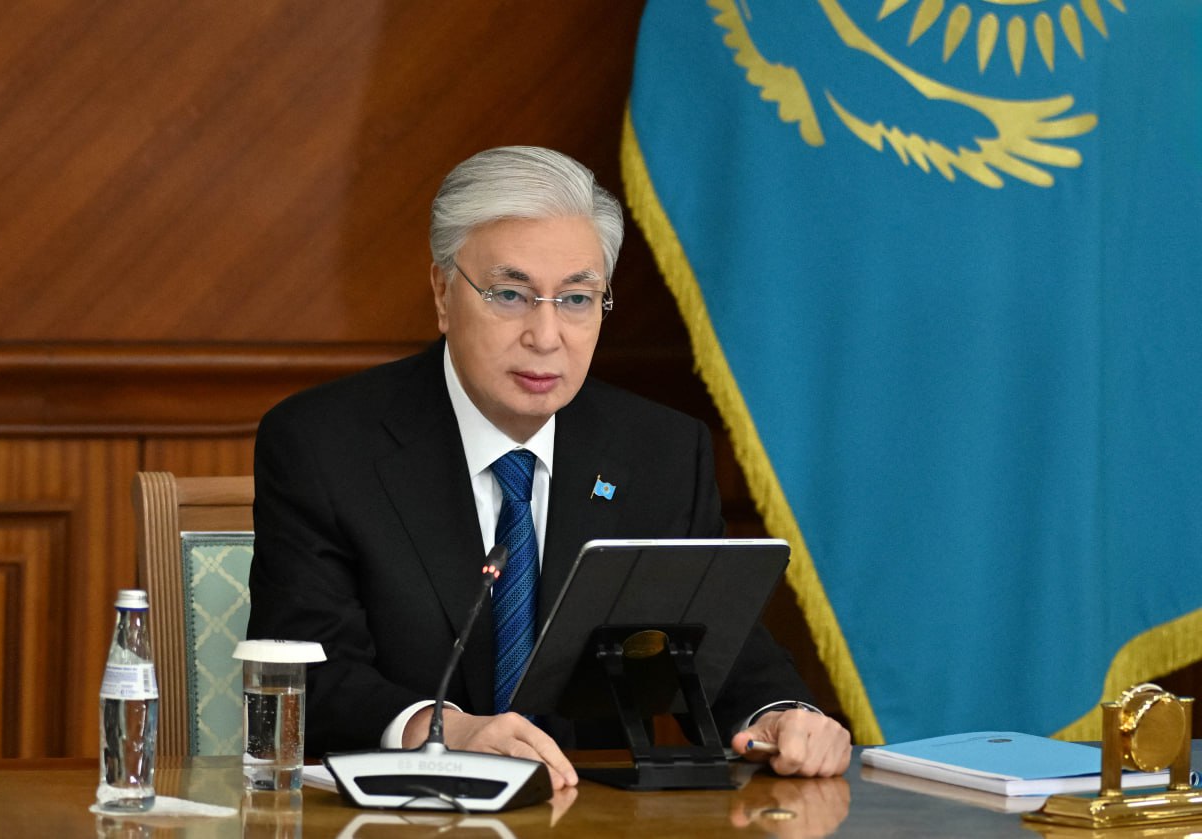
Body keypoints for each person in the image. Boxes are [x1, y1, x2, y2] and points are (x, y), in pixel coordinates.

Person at [247, 146, 851, 789]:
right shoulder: (325, 444)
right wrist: (446, 731)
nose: (545, 335)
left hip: (595, 811)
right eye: (510, 294)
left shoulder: (660, 451)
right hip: (404, 813)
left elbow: (716, 647)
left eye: (576, 299)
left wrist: (782, 715)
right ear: (443, 293)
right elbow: (307, 669)